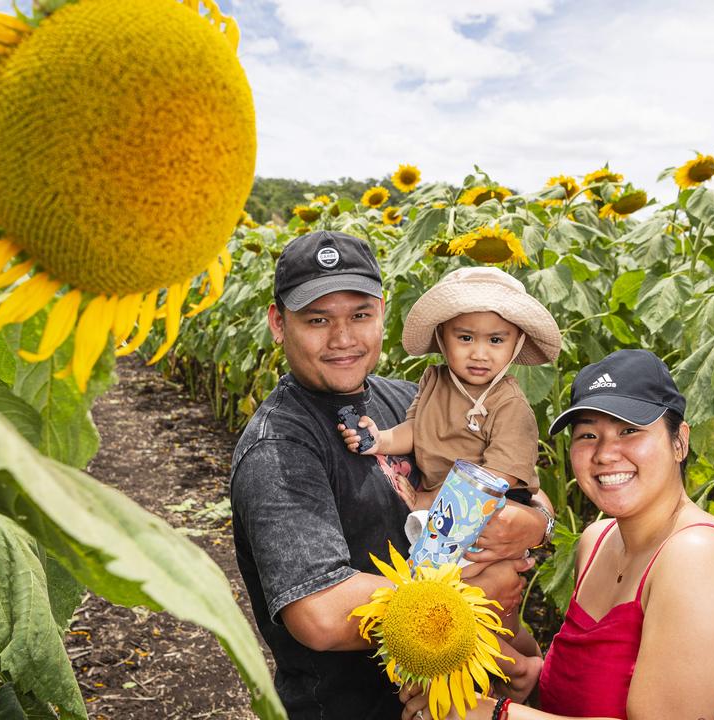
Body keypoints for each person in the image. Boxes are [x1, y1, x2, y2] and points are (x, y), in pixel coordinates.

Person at [230, 230, 551, 719]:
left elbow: (523, 487)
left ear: (381, 311)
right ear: (278, 323)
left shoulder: (406, 399)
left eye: (360, 315)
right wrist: (476, 596)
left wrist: (535, 525)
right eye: (318, 320)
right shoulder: (280, 447)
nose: (343, 339)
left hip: (457, 699)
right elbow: (319, 613)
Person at [401, 349, 714, 720]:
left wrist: (494, 714)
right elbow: (594, 684)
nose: (606, 453)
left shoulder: (700, 555)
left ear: (680, 442)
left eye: (630, 430)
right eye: (589, 435)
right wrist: (522, 673)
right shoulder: (598, 540)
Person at [339, 265, 561, 678]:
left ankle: (523, 668)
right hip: (443, 515)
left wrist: (427, 500)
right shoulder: (434, 381)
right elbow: (418, 430)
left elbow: (502, 478)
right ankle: (521, 669)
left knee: (475, 604)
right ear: (443, 338)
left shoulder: (510, 404)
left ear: (516, 344)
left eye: (496, 340)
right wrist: (382, 440)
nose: (480, 353)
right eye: (465, 338)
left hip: (487, 513)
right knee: (473, 606)